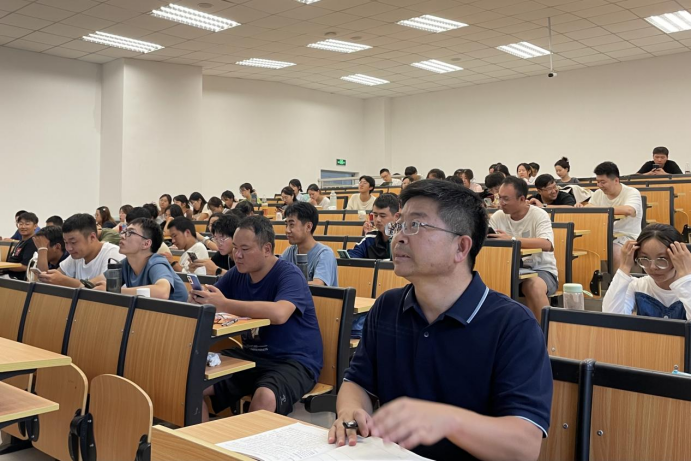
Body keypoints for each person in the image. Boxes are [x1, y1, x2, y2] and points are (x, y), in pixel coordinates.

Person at [329, 180, 552, 460]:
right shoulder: (387, 306)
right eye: (399, 225)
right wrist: (350, 411)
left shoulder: (513, 324)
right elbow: (357, 382)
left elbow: (525, 446)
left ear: (461, 247)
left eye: (416, 225)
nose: (398, 237)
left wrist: (448, 421)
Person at [190, 215, 323, 419]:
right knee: (191, 381)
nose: (237, 255)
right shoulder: (238, 273)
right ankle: (200, 439)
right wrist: (198, 299)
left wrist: (224, 304)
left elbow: (279, 313)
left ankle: (244, 441)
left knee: (265, 397)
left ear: (267, 249)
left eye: (245, 249)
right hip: (251, 357)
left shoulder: (289, 275)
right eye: (235, 248)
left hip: (294, 361)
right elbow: (213, 299)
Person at [489, 177, 559, 319]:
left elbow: (547, 244)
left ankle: (546, 330)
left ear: (521, 199)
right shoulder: (498, 216)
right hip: (508, 271)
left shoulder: (539, 214)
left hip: (541, 270)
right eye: (499, 198)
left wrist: (512, 240)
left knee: (532, 285)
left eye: (506, 199)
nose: (501, 203)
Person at [603, 224, 691, 319]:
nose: (652, 267)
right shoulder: (637, 286)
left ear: (679, 257)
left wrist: (685, 276)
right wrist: (624, 267)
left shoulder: (687, 286)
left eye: (662, 259)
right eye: (644, 258)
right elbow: (611, 319)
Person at [91, 218, 188, 302]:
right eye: (124, 232)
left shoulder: (156, 263)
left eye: (130, 233)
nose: (122, 236)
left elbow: (162, 292)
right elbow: (94, 282)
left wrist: (115, 291)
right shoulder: (126, 264)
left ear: (146, 244)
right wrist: (84, 285)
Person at [577, 161, 642, 270]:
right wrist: (582, 207)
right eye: (598, 182)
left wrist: (598, 209)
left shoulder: (631, 192)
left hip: (626, 236)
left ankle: (618, 280)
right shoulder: (598, 193)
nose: (599, 186)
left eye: (603, 182)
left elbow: (629, 210)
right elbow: (590, 208)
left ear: (616, 180)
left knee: (614, 251)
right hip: (603, 236)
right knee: (584, 247)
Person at [36, 213, 124, 288]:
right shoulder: (76, 256)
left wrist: (64, 281)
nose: (69, 248)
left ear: (92, 237)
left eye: (73, 242)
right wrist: (42, 249)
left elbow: (99, 290)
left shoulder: (113, 255)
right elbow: (47, 280)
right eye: (66, 242)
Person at [281, 202, 338, 286]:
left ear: (308, 227)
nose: (287, 230)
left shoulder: (325, 254)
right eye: (286, 225)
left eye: (292, 225)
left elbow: (318, 285)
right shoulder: (289, 252)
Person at [348, 194, 400, 260]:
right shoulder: (370, 238)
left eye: (382, 216)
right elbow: (353, 255)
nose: (378, 220)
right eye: (375, 215)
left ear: (396, 217)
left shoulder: (404, 240)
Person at [1, 212, 39, 280]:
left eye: (27, 224)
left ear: (35, 226)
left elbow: (25, 266)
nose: (23, 227)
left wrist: (5, 267)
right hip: (8, 274)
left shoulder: (32, 242)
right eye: (20, 224)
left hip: (18, 278)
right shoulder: (21, 241)